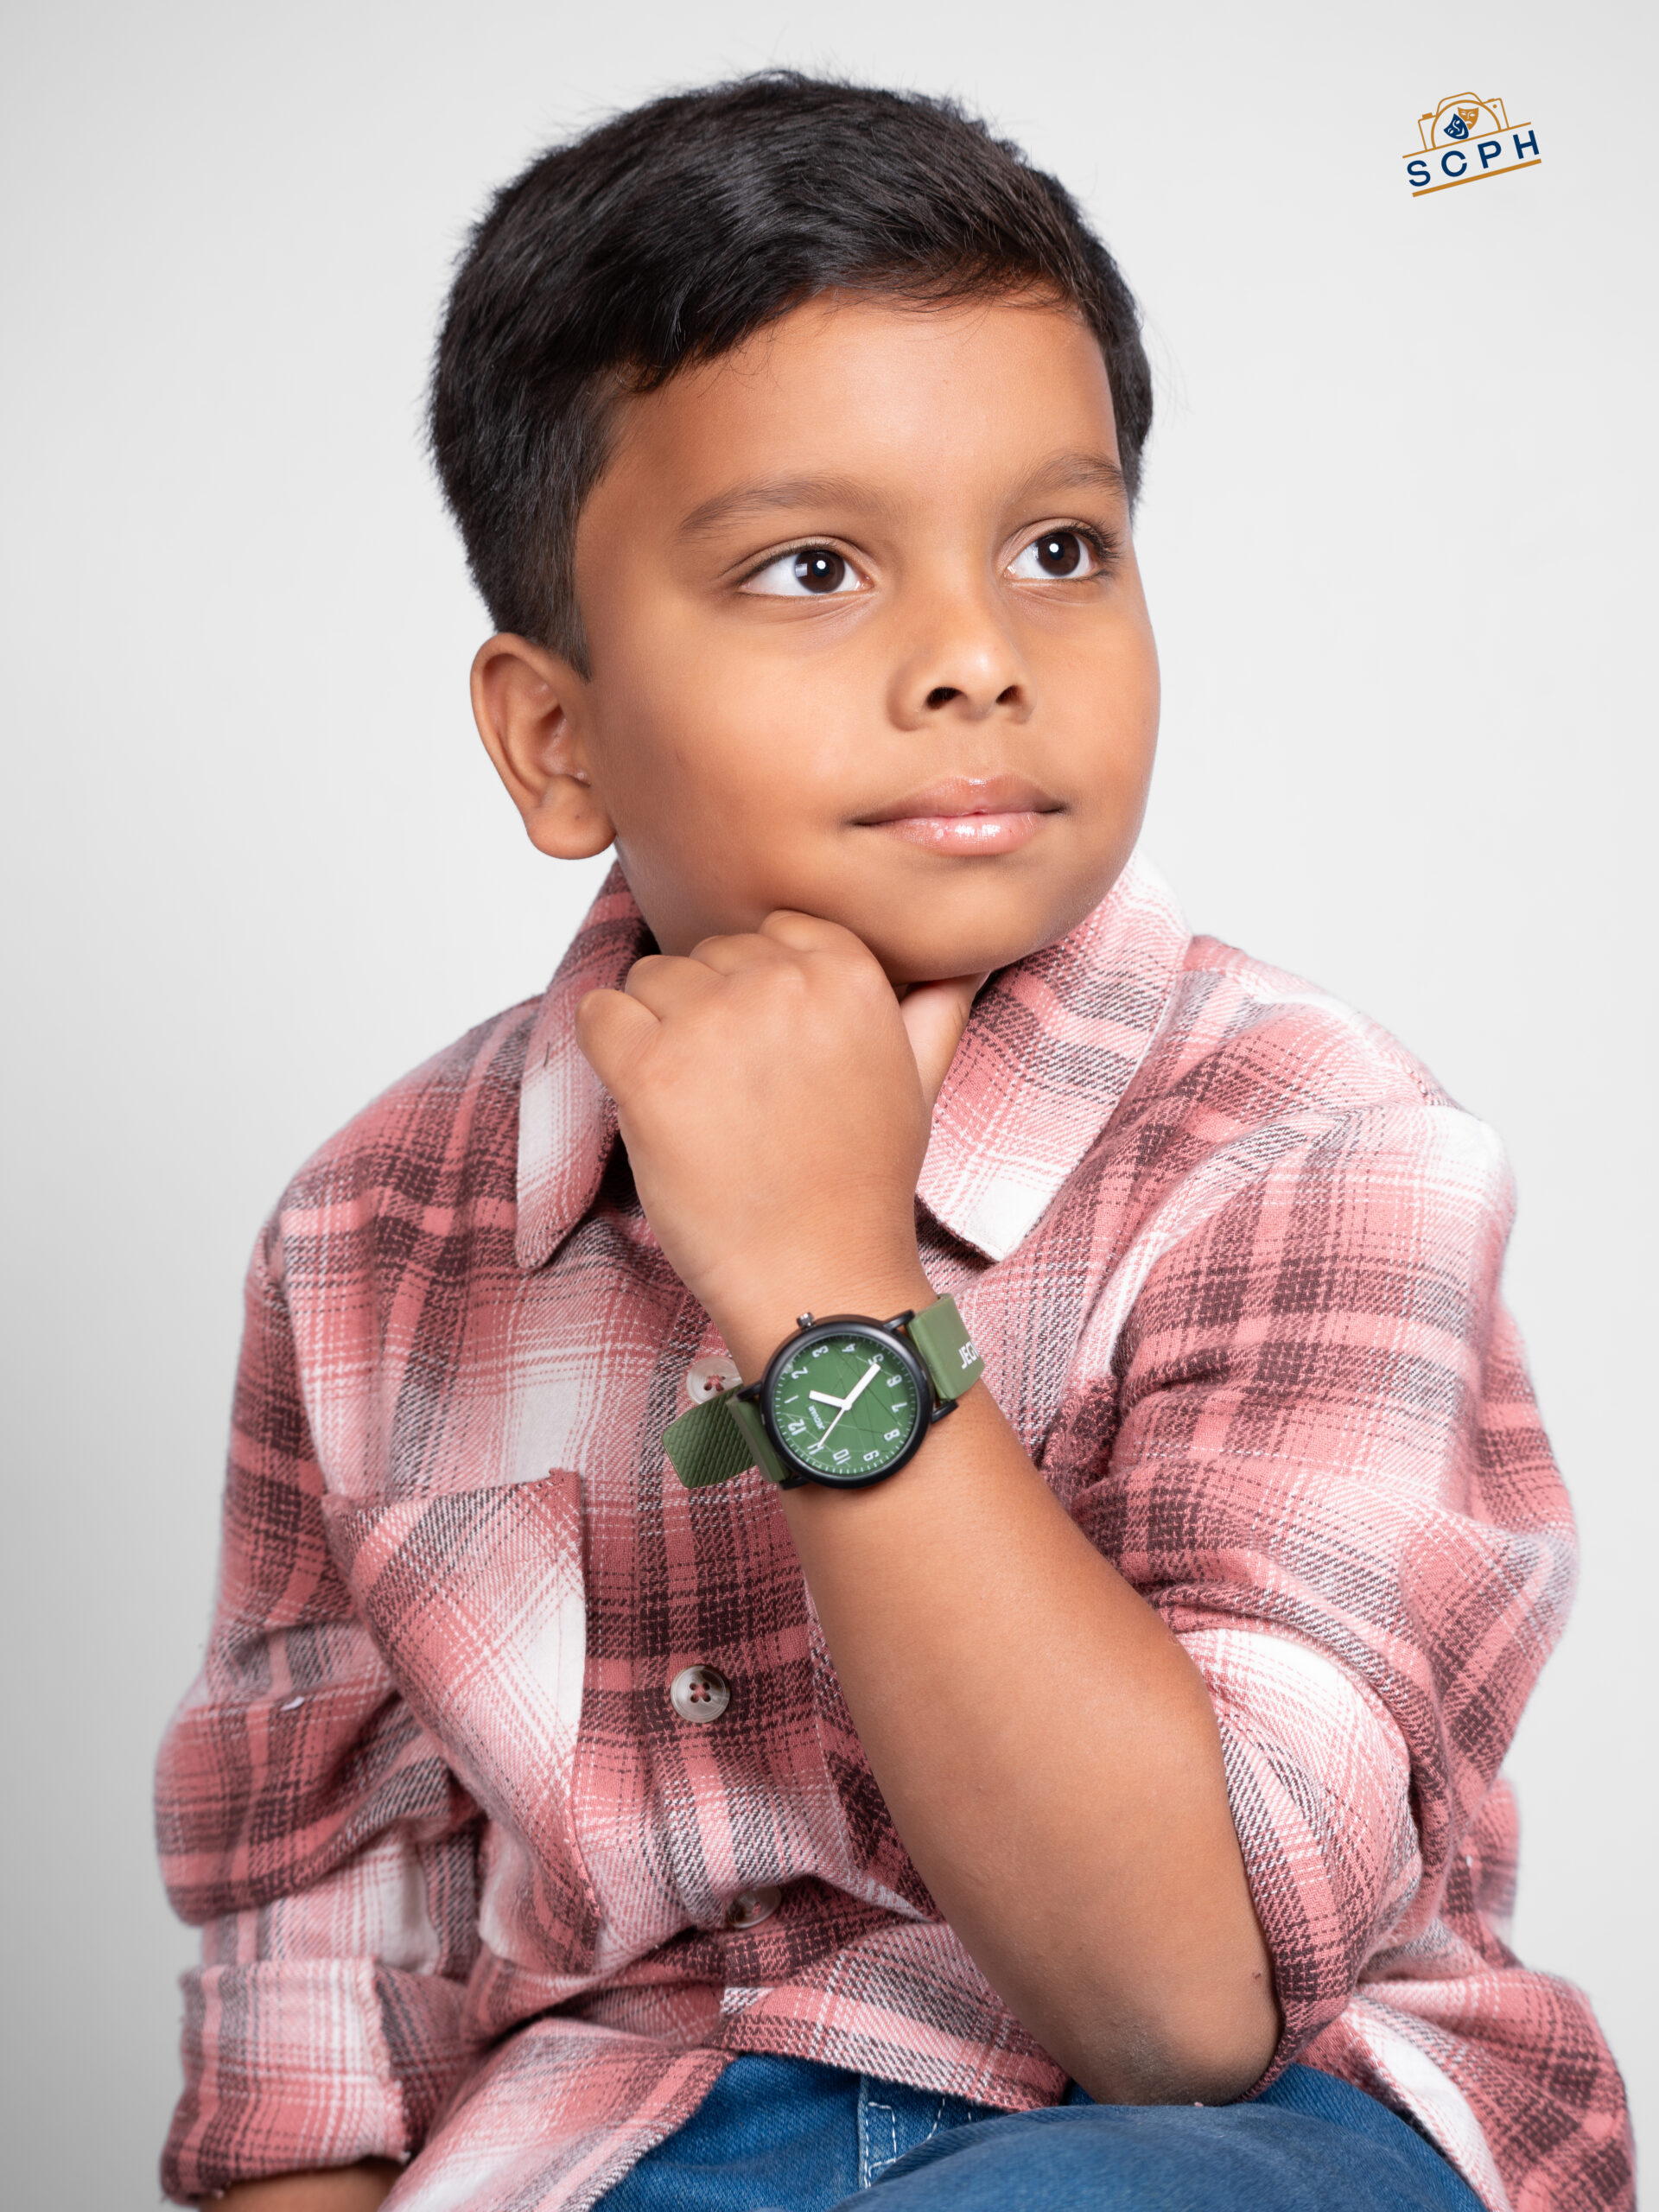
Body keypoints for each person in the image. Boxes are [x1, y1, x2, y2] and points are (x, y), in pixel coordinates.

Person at [154, 73, 1632, 2212]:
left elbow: (1178, 2000)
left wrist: (824, 1283)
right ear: (556, 738)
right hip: (614, 2149)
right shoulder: (377, 1228)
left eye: (1060, 548)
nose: (973, 657)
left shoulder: (1308, 1139)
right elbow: (315, 1972)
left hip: (1210, 2138)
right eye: (814, 566)